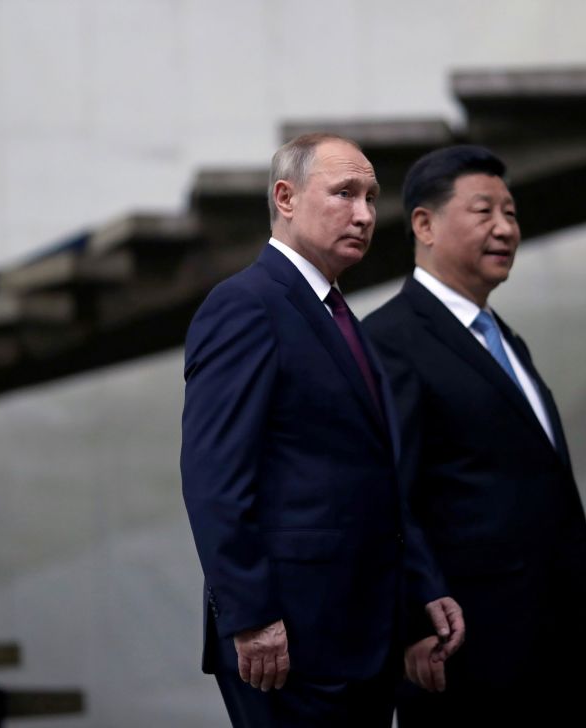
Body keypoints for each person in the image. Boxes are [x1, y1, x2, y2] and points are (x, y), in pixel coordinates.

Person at [181, 133, 463, 727]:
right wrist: (251, 615)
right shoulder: (246, 305)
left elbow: (372, 474)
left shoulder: (336, 314)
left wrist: (417, 593)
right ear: (285, 197)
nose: (364, 214)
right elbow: (215, 477)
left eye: (370, 197)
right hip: (287, 641)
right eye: (344, 194)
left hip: (359, 633)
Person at [363, 145, 586, 727]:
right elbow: (386, 497)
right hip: (467, 661)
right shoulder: (390, 341)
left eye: (512, 213)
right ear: (424, 224)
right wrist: (414, 623)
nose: (505, 229)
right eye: (484, 212)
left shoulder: (505, 341)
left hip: (557, 656)